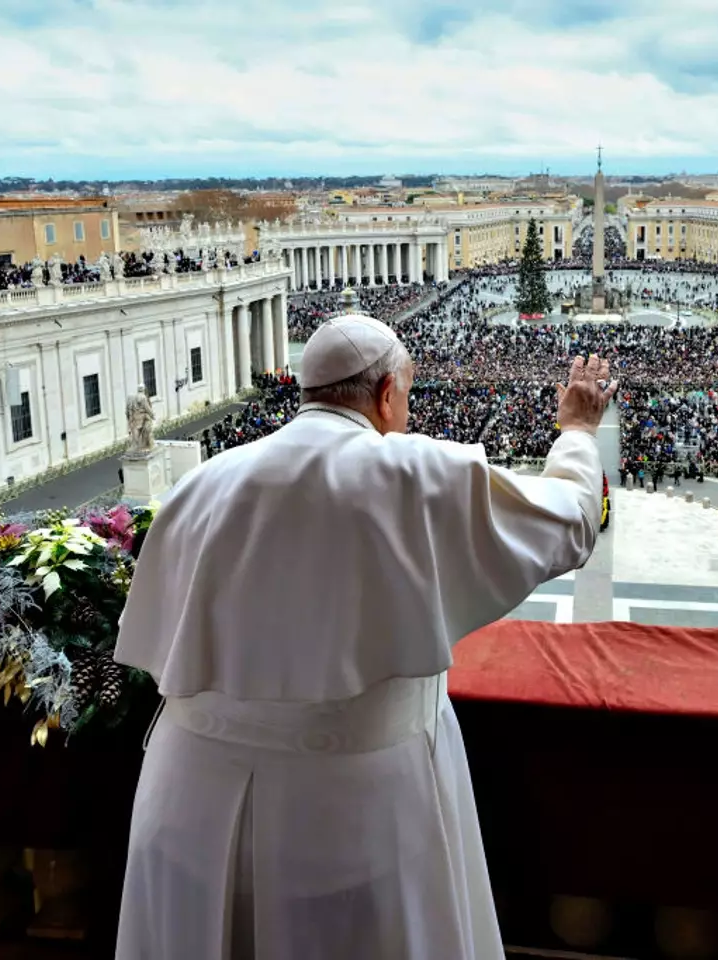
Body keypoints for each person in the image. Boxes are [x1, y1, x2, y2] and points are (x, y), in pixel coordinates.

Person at [112, 310, 616, 960]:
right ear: (386, 394)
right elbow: (573, 522)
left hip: (183, 807)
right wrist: (577, 429)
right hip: (344, 821)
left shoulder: (200, 485)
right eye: (405, 395)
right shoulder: (414, 472)